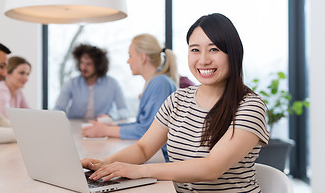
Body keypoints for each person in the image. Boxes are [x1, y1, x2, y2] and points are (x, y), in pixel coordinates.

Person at [81, 14, 270, 193]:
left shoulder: (250, 107)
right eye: (195, 49)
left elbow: (211, 168)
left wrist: (139, 171)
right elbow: (143, 148)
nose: (203, 60)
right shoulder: (178, 100)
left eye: (214, 49)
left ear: (233, 53)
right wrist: (105, 165)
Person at [82, 33, 178, 159]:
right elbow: (142, 124)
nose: (128, 61)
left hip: (160, 158)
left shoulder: (160, 83)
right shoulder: (155, 82)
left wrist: (105, 131)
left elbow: (147, 131)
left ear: (143, 57)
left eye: (130, 55)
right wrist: (110, 126)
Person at [54, 44, 128, 121]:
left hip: (101, 127)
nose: (83, 67)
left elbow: (124, 111)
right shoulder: (71, 83)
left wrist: (110, 116)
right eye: (82, 63)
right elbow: (58, 109)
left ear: (98, 65)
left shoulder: (112, 84)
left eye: (88, 64)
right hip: (74, 126)